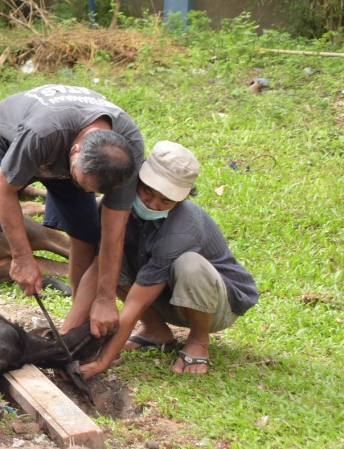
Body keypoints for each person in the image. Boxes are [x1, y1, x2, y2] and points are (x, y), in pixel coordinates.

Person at [0, 84, 144, 337]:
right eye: (80, 181)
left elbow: (114, 232)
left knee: (86, 234)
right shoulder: (42, 132)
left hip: (66, 157)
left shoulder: (127, 152)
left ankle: (72, 330)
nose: (85, 193)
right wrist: (22, 257)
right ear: (75, 151)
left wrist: (106, 299)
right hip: (8, 143)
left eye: (91, 191)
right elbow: (3, 189)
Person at [76, 141, 259, 378]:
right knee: (110, 261)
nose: (152, 204)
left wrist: (102, 362)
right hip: (166, 295)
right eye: (147, 191)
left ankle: (198, 339)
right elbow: (103, 266)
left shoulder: (182, 228)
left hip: (215, 304)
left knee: (189, 265)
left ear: (182, 199)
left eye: (165, 200)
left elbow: (135, 304)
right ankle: (155, 331)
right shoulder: (116, 206)